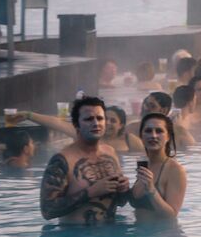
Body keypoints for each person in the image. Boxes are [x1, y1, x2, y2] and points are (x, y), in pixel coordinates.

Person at [40, 96, 131, 224]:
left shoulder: (110, 153)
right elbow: (47, 211)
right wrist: (90, 192)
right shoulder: (62, 160)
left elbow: (121, 203)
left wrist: (124, 189)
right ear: (76, 124)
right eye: (89, 119)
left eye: (100, 118)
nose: (96, 123)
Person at [133, 112, 188, 222]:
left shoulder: (175, 170)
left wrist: (152, 191)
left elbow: (171, 216)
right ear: (141, 136)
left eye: (159, 131)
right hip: (140, 235)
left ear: (168, 136)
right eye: (148, 131)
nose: (153, 135)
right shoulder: (144, 164)